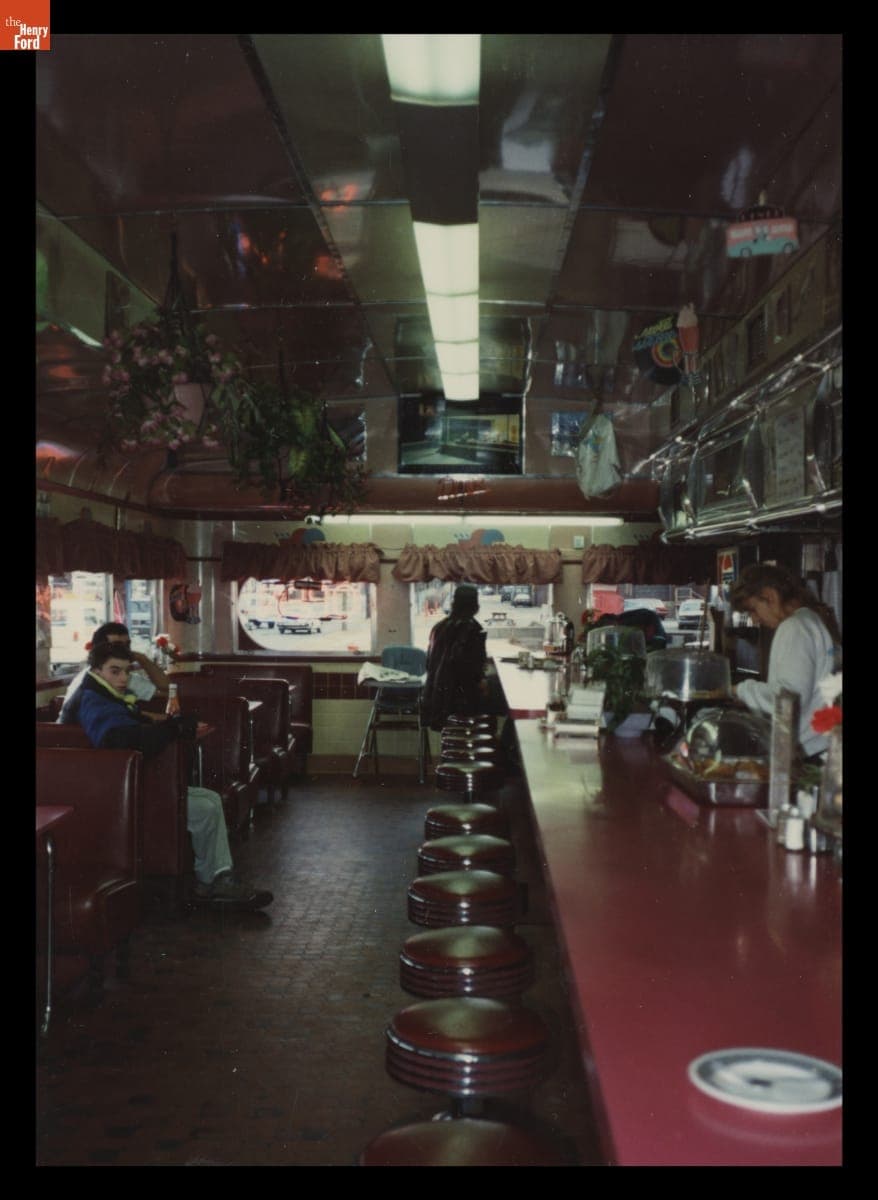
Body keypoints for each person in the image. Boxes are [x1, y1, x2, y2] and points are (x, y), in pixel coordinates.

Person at [72, 642, 273, 909]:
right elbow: (117, 738)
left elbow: (132, 728)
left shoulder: (105, 697)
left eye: (125, 672)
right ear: (96, 671)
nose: (122, 679)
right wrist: (174, 729)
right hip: (116, 797)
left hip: (129, 786)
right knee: (203, 806)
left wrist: (172, 727)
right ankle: (213, 881)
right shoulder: (95, 702)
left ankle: (215, 879)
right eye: (114, 671)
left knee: (211, 799)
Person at [729, 562, 841, 761]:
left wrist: (740, 690)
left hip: (807, 751)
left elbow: (790, 697)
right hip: (822, 745)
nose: (754, 620)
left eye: (754, 609)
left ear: (770, 595)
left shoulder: (794, 627)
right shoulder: (810, 619)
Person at [59, 621, 169, 724]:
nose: (125, 651)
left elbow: (167, 689)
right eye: (117, 645)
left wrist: (142, 658)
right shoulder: (88, 681)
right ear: (99, 650)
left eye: (127, 646)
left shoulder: (123, 677)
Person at [421, 583, 488, 732]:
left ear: (454, 604)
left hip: (437, 698)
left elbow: (429, 663)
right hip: (462, 700)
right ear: (475, 605)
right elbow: (473, 669)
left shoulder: (438, 627)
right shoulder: (474, 630)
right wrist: (482, 681)